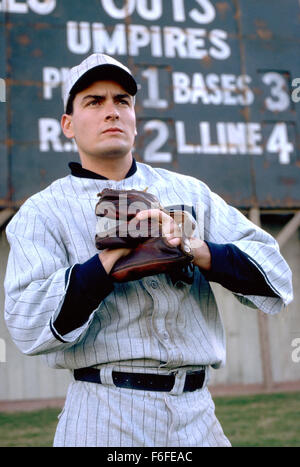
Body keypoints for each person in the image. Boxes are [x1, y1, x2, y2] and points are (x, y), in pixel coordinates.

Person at [4, 53, 293, 447]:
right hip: (104, 411)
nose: (112, 111)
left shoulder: (189, 193)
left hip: (198, 413)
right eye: (94, 101)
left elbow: (276, 274)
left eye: (122, 100)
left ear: (135, 119)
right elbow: (26, 323)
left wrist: (194, 248)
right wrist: (105, 265)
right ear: (68, 125)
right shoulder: (41, 212)